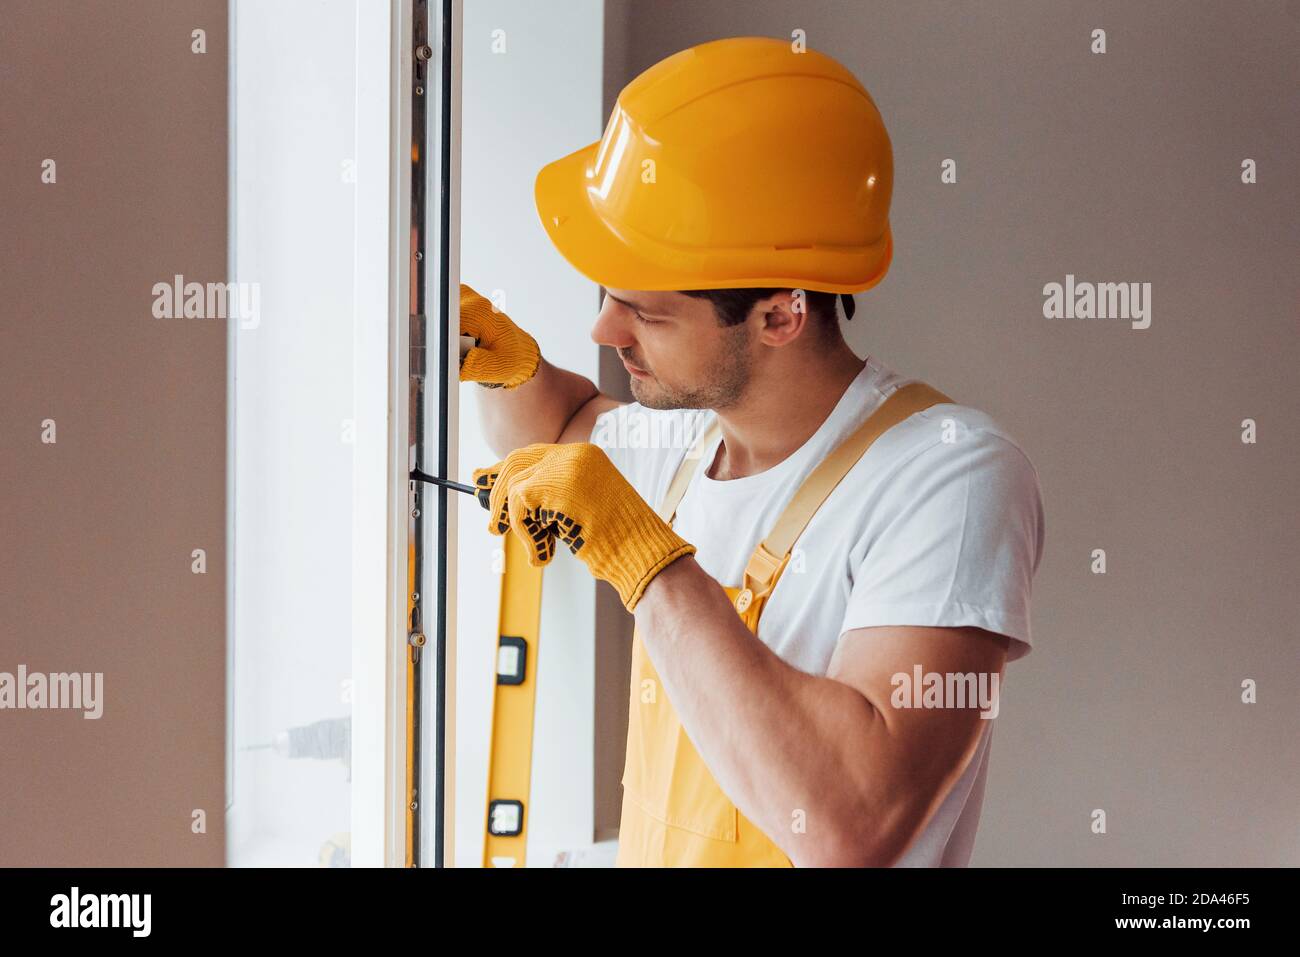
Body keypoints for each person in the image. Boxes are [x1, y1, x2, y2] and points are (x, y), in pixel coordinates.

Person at [462, 36, 1045, 867]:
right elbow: (555, 431)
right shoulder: (694, 438)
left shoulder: (948, 476)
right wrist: (505, 363)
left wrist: (645, 561)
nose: (602, 330)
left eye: (645, 312)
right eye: (606, 295)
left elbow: (853, 822)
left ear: (780, 315)